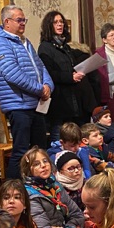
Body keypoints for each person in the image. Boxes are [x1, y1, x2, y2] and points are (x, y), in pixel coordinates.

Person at [0, 4, 54, 177]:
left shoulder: (24, 41)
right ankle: (14, 188)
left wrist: (48, 85)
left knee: (39, 150)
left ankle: (38, 185)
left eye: (24, 20)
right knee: (21, 151)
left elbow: (40, 67)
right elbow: (12, 74)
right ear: (7, 22)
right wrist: (39, 89)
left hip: (35, 104)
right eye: (19, 20)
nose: (23, 23)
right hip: (18, 105)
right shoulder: (0, 44)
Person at [38, 10, 97, 141]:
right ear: (49, 25)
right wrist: (70, 77)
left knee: (77, 138)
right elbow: (49, 73)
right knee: (59, 139)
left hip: (73, 99)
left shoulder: (65, 46)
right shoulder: (45, 48)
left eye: (61, 22)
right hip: (59, 101)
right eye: (55, 22)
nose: (60, 25)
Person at [21, 148, 85, 228]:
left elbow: (77, 214)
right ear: (28, 170)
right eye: (36, 164)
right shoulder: (30, 194)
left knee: (93, 224)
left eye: (45, 161)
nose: (43, 165)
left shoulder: (55, 185)